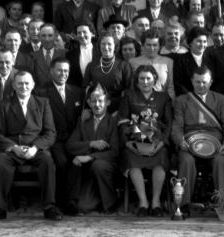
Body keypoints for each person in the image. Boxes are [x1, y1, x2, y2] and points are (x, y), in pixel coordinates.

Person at [0, 71, 61, 221]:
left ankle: (50, 207)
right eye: (20, 83)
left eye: (27, 83)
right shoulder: (5, 104)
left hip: (36, 148)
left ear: (33, 85)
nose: (24, 86)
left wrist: (35, 148)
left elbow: (50, 133)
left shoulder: (43, 103)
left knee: (48, 162)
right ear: (14, 85)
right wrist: (14, 147)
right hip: (12, 148)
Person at [171, 66, 224, 216]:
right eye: (197, 82)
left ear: (211, 82)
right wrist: (180, 141)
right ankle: (183, 205)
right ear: (192, 82)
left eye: (204, 82)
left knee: (220, 161)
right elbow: (177, 125)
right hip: (189, 143)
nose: (201, 85)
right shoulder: (181, 100)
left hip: (215, 144)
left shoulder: (221, 100)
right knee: (186, 161)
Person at [119, 65, 173, 217]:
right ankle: (143, 202)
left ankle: (155, 203)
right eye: (141, 78)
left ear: (154, 79)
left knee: (161, 158)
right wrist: (128, 143)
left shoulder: (163, 97)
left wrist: (162, 142)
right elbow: (122, 120)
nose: (145, 81)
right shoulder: (128, 95)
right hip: (134, 141)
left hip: (158, 142)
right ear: (136, 80)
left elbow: (168, 123)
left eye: (148, 78)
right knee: (131, 159)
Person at [35, 58, 83, 211]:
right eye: (59, 70)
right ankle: (60, 201)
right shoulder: (41, 92)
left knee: (77, 162)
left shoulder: (77, 92)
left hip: (73, 138)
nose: (63, 73)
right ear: (51, 71)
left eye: (66, 71)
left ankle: (72, 201)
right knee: (61, 162)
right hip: (54, 139)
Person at [65, 85, 120, 215]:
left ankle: (110, 202)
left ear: (107, 102)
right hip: (87, 171)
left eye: (100, 101)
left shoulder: (112, 121)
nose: (97, 104)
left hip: (106, 168)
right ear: (88, 103)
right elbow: (70, 145)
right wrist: (91, 144)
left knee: (98, 165)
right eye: (93, 101)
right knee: (83, 206)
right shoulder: (83, 121)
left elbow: (115, 152)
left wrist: (90, 157)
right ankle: (76, 200)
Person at [83, 34, 133, 114]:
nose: (106, 47)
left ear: (115, 46)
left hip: (117, 109)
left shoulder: (124, 65)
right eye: (103, 44)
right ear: (99, 46)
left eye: (109, 44)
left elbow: (130, 90)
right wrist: (89, 107)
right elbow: (86, 89)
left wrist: (121, 110)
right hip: (96, 108)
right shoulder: (91, 65)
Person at [129, 29, 175, 99]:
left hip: (161, 103)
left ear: (159, 46)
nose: (152, 48)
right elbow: (131, 86)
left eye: (155, 45)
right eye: (148, 45)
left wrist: (168, 104)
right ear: (143, 45)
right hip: (138, 102)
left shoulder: (168, 62)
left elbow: (171, 87)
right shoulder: (132, 62)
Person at [172, 26, 209, 96]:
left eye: (205, 41)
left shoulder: (211, 59)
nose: (202, 45)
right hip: (188, 101)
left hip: (208, 101)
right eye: (199, 41)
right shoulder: (180, 59)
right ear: (190, 42)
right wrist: (193, 98)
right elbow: (178, 84)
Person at [30, 23, 66, 88]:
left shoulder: (65, 54)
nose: (47, 39)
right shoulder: (32, 56)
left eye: (50, 35)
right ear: (39, 37)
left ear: (55, 36)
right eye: (43, 36)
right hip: (40, 95)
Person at [66, 21, 99, 88]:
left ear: (92, 34)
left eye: (84, 32)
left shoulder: (100, 51)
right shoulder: (70, 55)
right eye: (79, 33)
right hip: (78, 91)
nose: (81, 35)